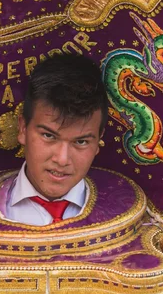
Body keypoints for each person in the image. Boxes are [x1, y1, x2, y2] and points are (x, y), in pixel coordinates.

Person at [7, 54, 107, 225]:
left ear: (99, 139)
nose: (62, 160)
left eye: (81, 142)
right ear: (23, 129)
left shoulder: (128, 213)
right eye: (49, 136)